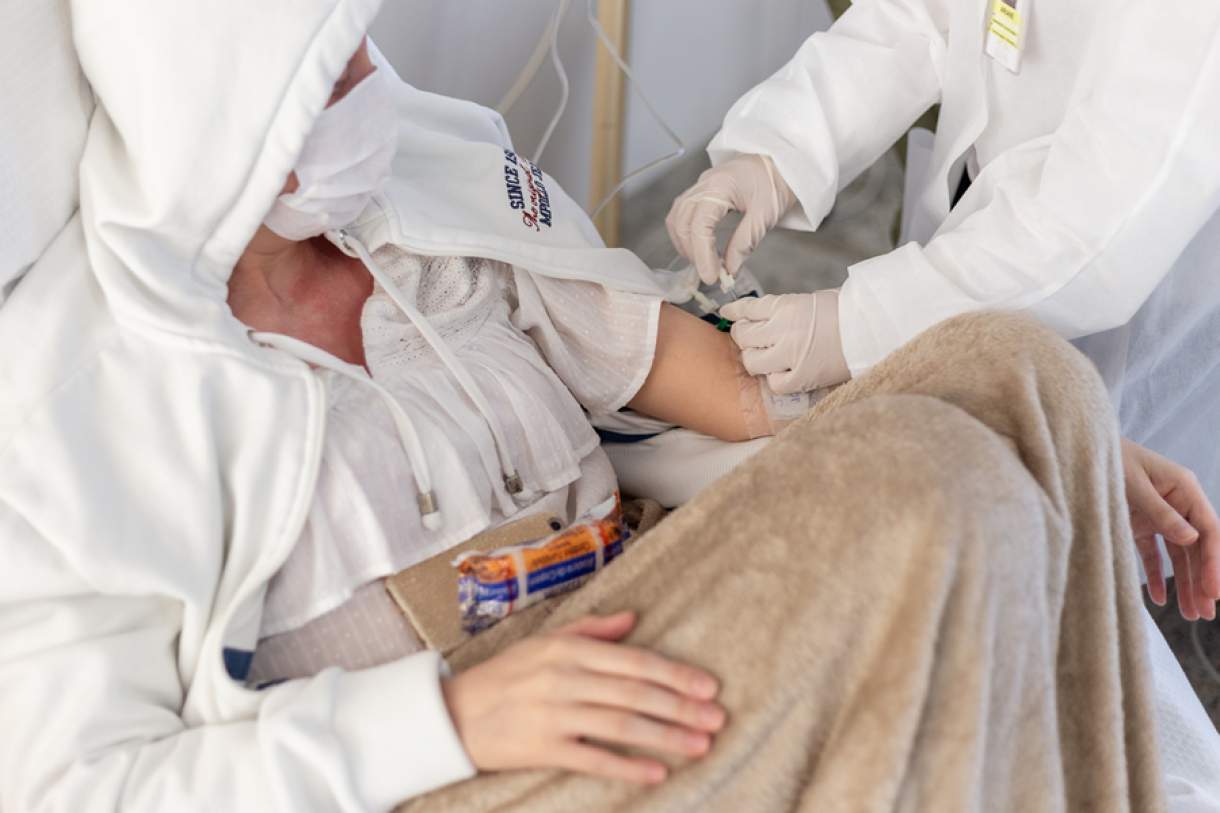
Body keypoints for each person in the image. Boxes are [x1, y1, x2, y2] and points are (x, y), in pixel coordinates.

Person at [0, 2, 1215, 810]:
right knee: (945, 500)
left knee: (1024, 367)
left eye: (361, 44)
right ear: (210, 108)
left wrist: (1021, 417)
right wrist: (447, 721)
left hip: (640, 606)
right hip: (483, 761)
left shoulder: (424, 208)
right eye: (328, 78)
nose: (375, 87)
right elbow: (73, 787)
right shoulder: (82, 400)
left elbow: (727, 388)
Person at [666, 0, 1220, 569]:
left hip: (1110, 282)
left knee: (1071, 532)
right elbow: (922, 15)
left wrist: (861, 324)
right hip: (993, 215)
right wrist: (777, 152)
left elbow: (1095, 233)